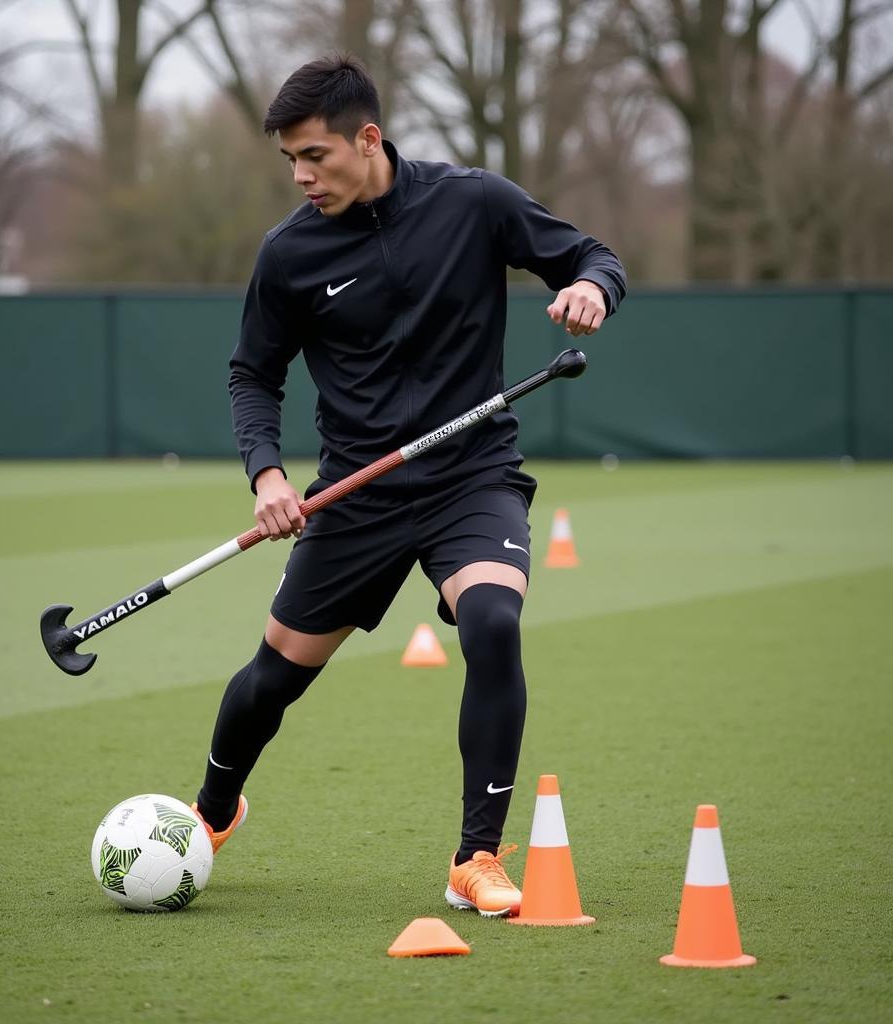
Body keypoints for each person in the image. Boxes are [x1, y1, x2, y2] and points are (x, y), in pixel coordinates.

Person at [192, 54, 625, 918]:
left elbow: (590, 252)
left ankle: (476, 856)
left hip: (473, 473)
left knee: (494, 622)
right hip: (357, 492)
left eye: (316, 156)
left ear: (369, 137)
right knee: (274, 678)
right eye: (290, 162)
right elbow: (253, 375)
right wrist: (267, 473)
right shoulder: (289, 253)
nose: (302, 177)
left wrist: (589, 288)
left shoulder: (474, 201)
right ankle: (210, 812)